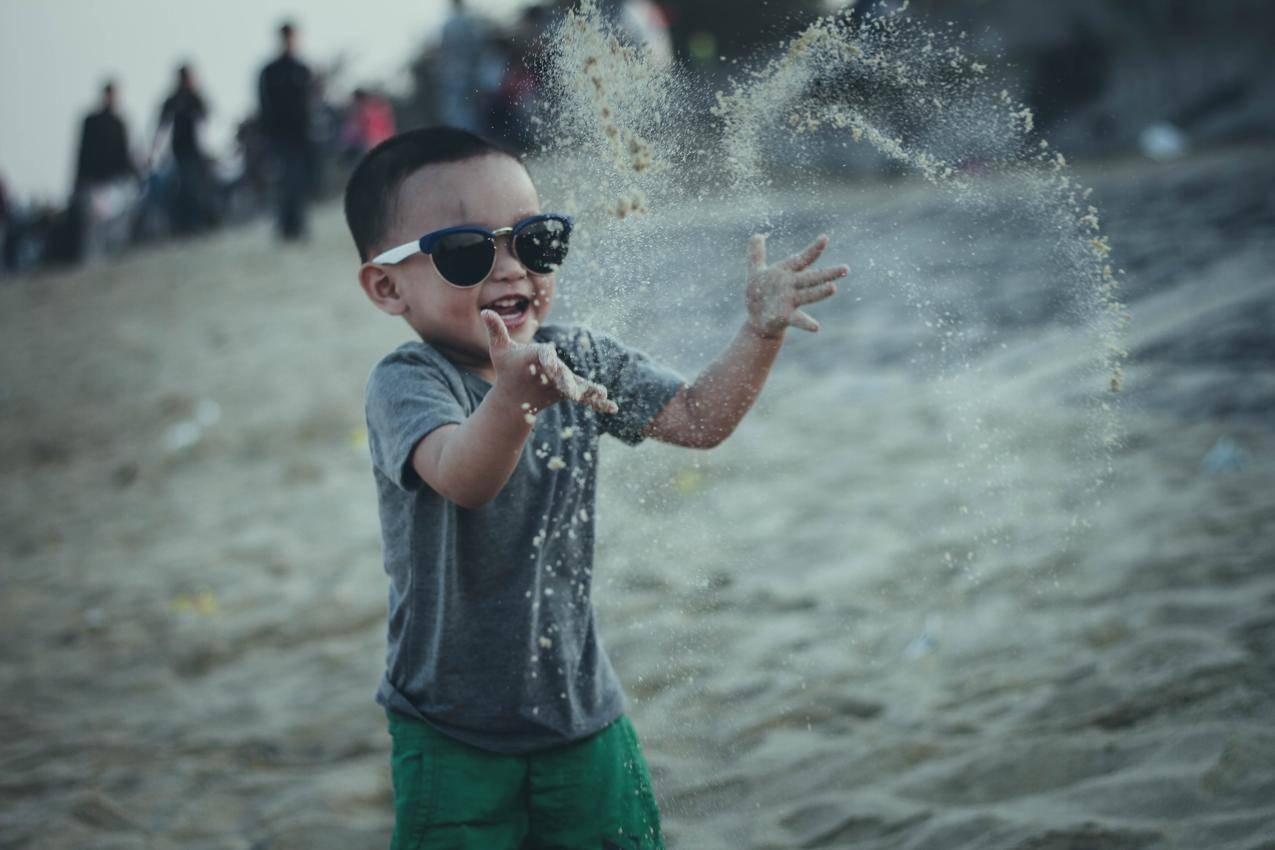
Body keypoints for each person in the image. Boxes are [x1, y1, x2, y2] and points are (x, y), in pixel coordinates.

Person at [343, 126, 847, 848]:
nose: (512, 269)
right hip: (449, 728)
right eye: (468, 251)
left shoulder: (574, 356)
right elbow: (464, 479)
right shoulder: (409, 382)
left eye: (535, 241)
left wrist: (758, 333)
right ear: (388, 286)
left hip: (581, 714)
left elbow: (697, 419)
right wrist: (515, 397)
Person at [258, 21, 314, 240]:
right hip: (279, 138)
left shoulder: (302, 69)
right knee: (285, 182)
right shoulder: (270, 72)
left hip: (302, 136)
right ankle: (285, 227)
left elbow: (310, 103)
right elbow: (264, 106)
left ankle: (299, 226)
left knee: (300, 181)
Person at [72, 81, 139, 260]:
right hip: (96, 184)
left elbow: (124, 154)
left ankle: (114, 257)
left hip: (116, 182)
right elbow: (83, 154)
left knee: (117, 226)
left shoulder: (119, 123)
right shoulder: (92, 122)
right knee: (94, 228)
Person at [154, 64, 214, 234]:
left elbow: (207, 120)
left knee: (198, 188)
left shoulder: (196, 98)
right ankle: (185, 225)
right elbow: (162, 126)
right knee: (184, 188)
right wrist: (155, 151)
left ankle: (198, 222)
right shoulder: (173, 100)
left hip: (196, 151)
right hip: (180, 152)